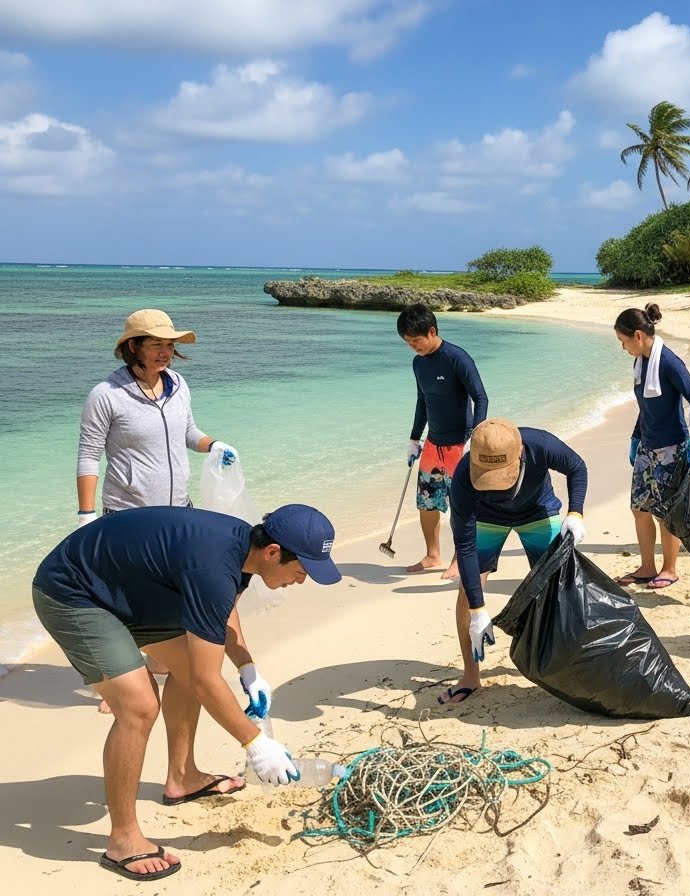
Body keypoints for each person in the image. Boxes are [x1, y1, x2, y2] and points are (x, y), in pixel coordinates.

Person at [31, 504, 342, 881]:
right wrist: (256, 744)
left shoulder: (244, 550)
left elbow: (223, 611)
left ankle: (182, 777)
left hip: (131, 590)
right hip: (73, 592)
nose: (302, 580)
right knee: (140, 706)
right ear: (273, 552)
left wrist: (247, 667)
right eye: (302, 569)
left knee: (185, 666)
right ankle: (123, 839)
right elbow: (206, 681)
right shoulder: (213, 565)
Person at [77, 308, 240, 712]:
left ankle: (155, 661)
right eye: (157, 345)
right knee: (125, 603)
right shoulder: (106, 395)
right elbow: (88, 457)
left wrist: (214, 445)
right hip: (128, 517)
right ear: (133, 346)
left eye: (170, 345)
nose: (166, 352)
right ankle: (120, 683)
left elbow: (188, 432)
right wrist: (85, 518)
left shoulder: (179, 385)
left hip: (176, 514)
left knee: (167, 596)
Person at [443, 419, 587, 704]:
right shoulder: (462, 477)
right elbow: (466, 546)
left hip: (537, 510)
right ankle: (471, 676)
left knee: (558, 586)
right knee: (467, 593)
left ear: (520, 452)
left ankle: (567, 663)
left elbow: (577, 467)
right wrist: (478, 609)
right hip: (487, 518)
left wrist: (576, 513)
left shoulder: (540, 444)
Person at [614, 303, 690, 590]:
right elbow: (646, 405)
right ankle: (646, 566)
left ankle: (669, 568)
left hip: (672, 447)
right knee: (640, 508)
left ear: (638, 335)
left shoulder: (668, 362)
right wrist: (634, 436)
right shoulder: (641, 362)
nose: (623, 347)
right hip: (647, 445)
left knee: (666, 511)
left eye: (623, 341)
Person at [397, 304, 489, 580]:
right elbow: (422, 400)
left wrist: (478, 436)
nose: (413, 347)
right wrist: (415, 438)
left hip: (459, 445)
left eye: (416, 341)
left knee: (460, 507)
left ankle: (460, 558)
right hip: (432, 444)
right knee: (426, 503)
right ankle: (432, 554)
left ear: (432, 331)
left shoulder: (456, 357)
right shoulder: (419, 363)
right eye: (408, 343)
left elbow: (481, 397)